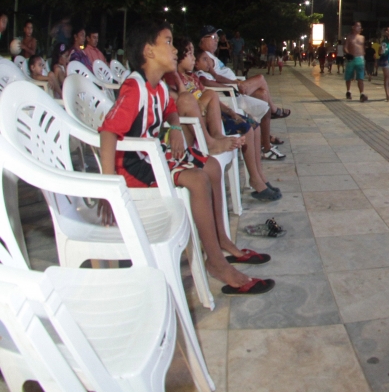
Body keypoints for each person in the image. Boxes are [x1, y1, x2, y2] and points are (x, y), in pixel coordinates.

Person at [97, 21, 274, 295]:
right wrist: (109, 188)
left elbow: (170, 109)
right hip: (134, 167)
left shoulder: (155, 86)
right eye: (167, 42)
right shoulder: (135, 88)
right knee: (197, 180)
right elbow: (108, 132)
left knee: (213, 166)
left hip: (153, 156)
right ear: (149, 52)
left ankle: (221, 241)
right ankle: (216, 262)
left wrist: (177, 127)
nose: (174, 50)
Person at [169, 38, 281, 200]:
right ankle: (255, 180)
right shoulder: (176, 80)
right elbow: (184, 101)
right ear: (179, 58)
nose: (193, 58)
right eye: (190, 54)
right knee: (247, 130)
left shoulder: (192, 77)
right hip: (203, 124)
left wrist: (229, 110)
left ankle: (260, 176)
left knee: (253, 125)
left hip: (215, 115)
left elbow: (207, 94)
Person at [196, 26, 288, 158]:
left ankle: (265, 142)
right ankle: (272, 120)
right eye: (213, 37)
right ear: (202, 41)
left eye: (217, 37)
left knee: (263, 95)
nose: (216, 40)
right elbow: (208, 80)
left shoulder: (209, 56)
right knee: (261, 80)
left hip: (234, 88)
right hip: (232, 92)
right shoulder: (204, 57)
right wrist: (235, 83)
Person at [343, 21, 368, 102]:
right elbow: (345, 47)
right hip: (351, 58)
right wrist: (348, 53)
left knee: (360, 77)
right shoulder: (349, 37)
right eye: (357, 26)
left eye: (360, 26)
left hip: (360, 59)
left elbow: (363, 48)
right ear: (353, 27)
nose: (359, 27)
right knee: (349, 76)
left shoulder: (362, 37)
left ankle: (362, 94)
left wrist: (363, 55)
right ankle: (348, 91)